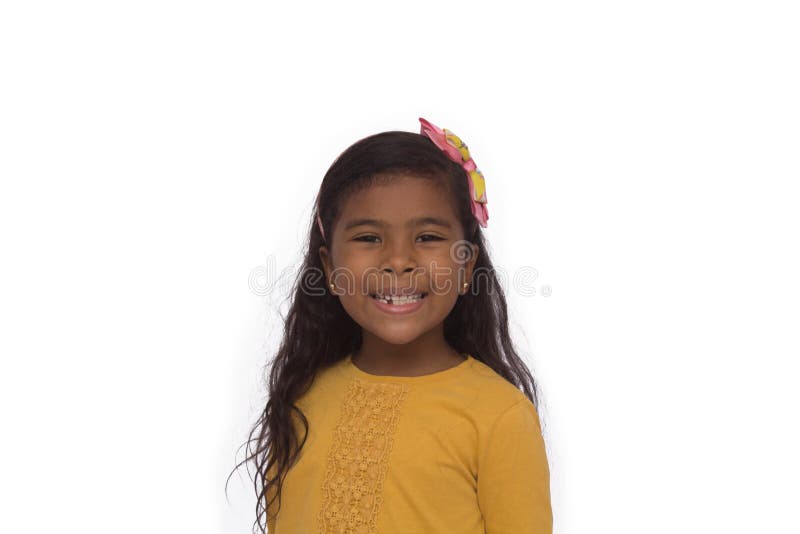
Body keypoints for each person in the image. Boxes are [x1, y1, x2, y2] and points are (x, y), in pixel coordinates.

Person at [235, 117, 552, 533]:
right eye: (368, 238)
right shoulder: (301, 398)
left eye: (427, 238)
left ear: (465, 264)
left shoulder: (500, 416)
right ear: (330, 267)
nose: (398, 260)